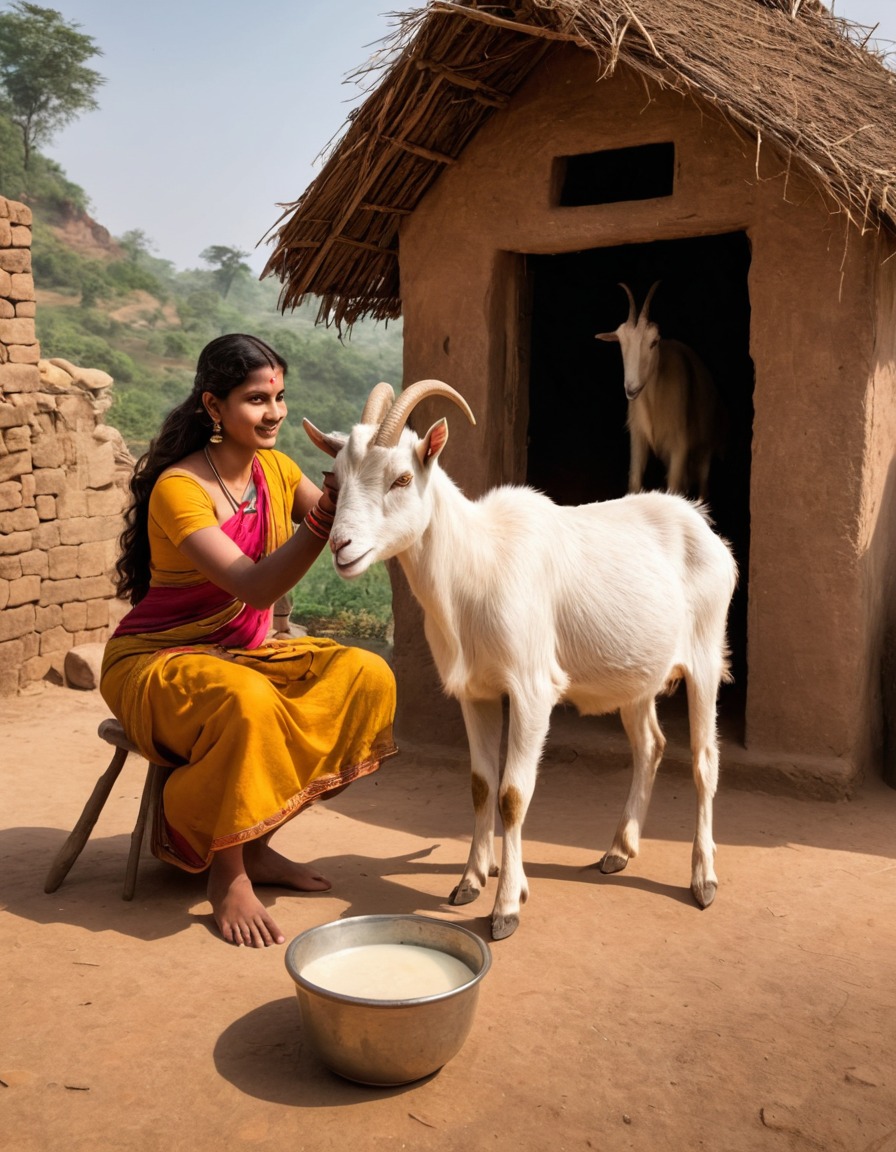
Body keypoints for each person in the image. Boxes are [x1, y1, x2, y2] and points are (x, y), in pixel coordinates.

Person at [101, 333, 398, 948]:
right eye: (256, 399)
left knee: (366, 676)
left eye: (280, 397)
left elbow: (346, 522)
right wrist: (322, 518)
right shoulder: (179, 488)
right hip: (157, 662)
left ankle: (256, 842)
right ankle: (227, 872)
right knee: (248, 702)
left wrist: (380, 478)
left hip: (242, 655)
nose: (275, 413)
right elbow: (255, 588)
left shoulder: (278, 470)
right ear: (213, 407)